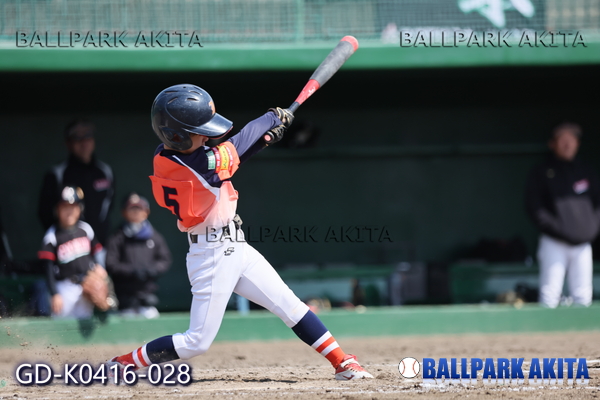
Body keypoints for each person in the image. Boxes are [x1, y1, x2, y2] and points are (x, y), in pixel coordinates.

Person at [106, 84, 373, 381]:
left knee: (290, 305)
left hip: (235, 246)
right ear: (176, 135)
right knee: (197, 342)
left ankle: (342, 361)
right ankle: (123, 363)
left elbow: (230, 160)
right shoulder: (197, 165)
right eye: (199, 131)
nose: (206, 136)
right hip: (212, 255)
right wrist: (271, 118)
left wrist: (264, 140)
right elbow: (235, 146)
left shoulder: (166, 156)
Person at [525, 122, 599, 308]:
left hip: (583, 244)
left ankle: (582, 330)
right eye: (562, 139)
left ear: (577, 143)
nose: (567, 144)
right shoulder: (542, 172)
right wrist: (560, 230)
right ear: (552, 143)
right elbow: (535, 209)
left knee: (583, 296)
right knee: (550, 295)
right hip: (554, 242)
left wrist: (590, 230)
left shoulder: (587, 171)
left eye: (571, 139)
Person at [38, 186, 116, 318]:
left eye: (73, 207)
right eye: (64, 207)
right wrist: (54, 293)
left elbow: (97, 252)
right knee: (62, 325)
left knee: (86, 322)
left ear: (80, 209)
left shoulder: (85, 229)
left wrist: (100, 266)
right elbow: (48, 269)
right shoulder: (52, 236)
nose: (69, 212)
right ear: (57, 210)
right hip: (64, 288)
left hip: (86, 285)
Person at [38, 119, 115, 248]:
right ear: (68, 143)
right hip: (71, 247)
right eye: (77, 137)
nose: (84, 142)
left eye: (88, 136)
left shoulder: (105, 171)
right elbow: (45, 213)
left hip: (101, 244)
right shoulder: (57, 174)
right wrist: (63, 239)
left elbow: (109, 205)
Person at [106, 193, 171, 319]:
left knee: (152, 324)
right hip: (125, 299)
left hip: (147, 297)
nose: (136, 212)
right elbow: (111, 263)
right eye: (132, 209)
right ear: (124, 212)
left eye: (139, 209)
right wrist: (132, 271)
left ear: (146, 212)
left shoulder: (154, 236)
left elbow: (165, 260)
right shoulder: (117, 237)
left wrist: (151, 269)